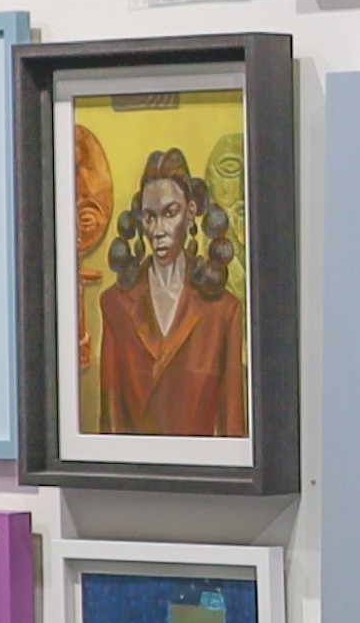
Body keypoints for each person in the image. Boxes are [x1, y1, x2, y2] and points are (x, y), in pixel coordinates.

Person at [81, 145, 247, 441]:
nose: (158, 229)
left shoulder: (223, 311)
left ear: (190, 212)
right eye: (149, 217)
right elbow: (111, 424)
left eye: (170, 213)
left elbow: (233, 428)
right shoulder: (115, 304)